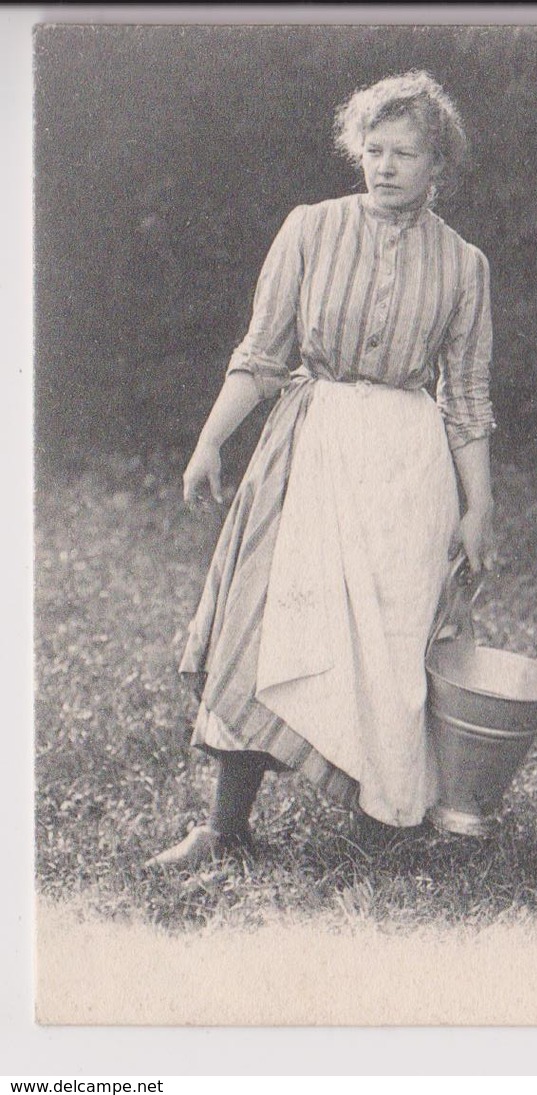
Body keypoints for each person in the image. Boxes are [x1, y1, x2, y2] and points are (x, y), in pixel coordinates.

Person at [146, 72, 497, 868]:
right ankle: (223, 827)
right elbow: (263, 353)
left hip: (408, 463)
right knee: (265, 621)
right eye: (373, 149)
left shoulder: (465, 266)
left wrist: (479, 507)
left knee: (391, 636)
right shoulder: (309, 228)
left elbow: (468, 400)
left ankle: (384, 824)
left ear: (438, 165)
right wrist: (210, 442)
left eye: (405, 153)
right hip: (312, 444)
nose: (385, 166)